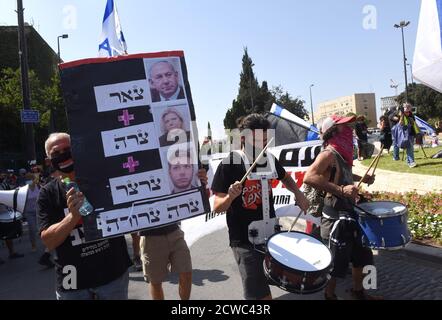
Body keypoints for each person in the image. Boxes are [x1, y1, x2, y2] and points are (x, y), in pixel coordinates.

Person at [211, 113, 309, 300]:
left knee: (276, 279)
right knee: (260, 295)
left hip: (270, 235)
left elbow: (286, 177)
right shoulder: (229, 164)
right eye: (257, 141)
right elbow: (217, 207)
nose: (263, 146)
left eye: (265, 140)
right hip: (243, 241)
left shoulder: (269, 159)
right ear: (243, 138)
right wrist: (230, 197)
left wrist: (299, 194)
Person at [37, 132, 132, 300]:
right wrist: (72, 217)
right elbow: (48, 241)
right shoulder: (47, 193)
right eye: (56, 153)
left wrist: (193, 178)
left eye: (68, 149)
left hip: (112, 271)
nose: (63, 155)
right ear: (49, 160)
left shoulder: (103, 179)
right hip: (71, 278)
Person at [304, 115, 382, 300]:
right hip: (334, 218)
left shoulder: (342, 152)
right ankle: (329, 295)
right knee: (336, 264)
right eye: (345, 126)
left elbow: (343, 173)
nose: (350, 130)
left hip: (350, 213)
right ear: (333, 130)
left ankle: (359, 293)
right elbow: (309, 177)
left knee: (362, 257)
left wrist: (362, 178)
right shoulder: (328, 153)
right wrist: (341, 189)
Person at [139, 155, 207, 300]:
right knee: (156, 281)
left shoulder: (169, 162)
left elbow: (193, 192)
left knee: (187, 272)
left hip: (174, 230)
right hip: (151, 236)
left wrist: (200, 181)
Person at [0, 172, 24, 264]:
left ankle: (12, 252)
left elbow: (11, 191)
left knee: (8, 233)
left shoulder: (4, 184)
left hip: (4, 212)